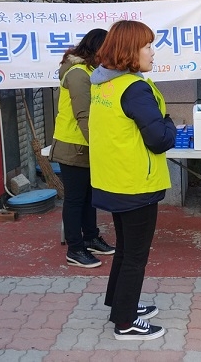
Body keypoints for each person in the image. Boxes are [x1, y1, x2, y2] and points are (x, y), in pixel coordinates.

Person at [89, 20, 176, 341]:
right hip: (135, 183)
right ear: (130, 51)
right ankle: (125, 323)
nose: (152, 52)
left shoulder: (104, 84)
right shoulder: (134, 88)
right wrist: (169, 122)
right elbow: (159, 138)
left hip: (114, 180)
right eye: (147, 46)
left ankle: (119, 304)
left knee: (125, 250)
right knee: (134, 255)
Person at [49, 28, 115, 269]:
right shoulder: (78, 74)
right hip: (74, 145)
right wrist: (100, 146)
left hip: (87, 144)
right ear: (96, 48)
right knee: (76, 199)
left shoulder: (91, 71)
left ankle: (90, 237)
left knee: (89, 197)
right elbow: (84, 115)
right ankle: (75, 249)